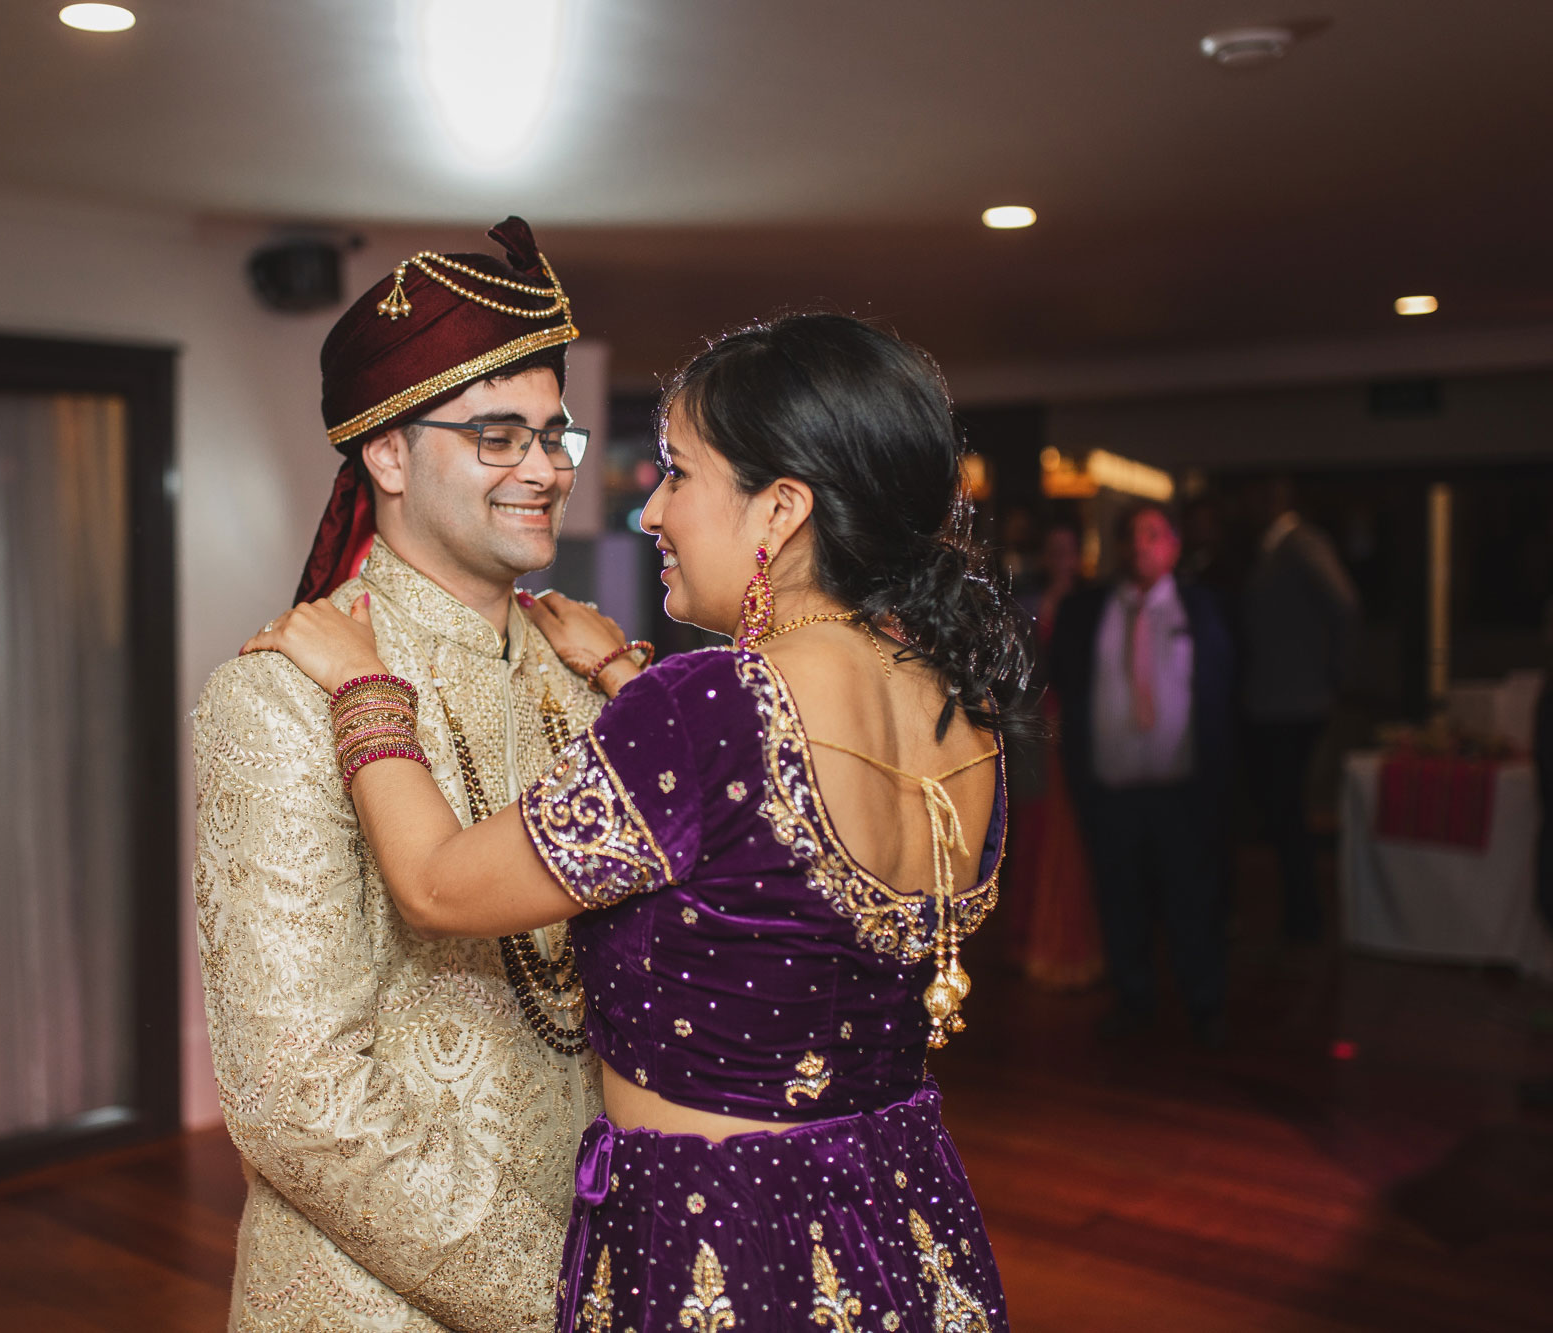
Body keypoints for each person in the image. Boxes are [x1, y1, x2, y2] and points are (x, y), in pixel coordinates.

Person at [248, 313, 1031, 1332]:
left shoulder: (703, 708)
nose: (648, 510)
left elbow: (438, 886)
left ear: (781, 509)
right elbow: (761, 859)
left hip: (728, 1251)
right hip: (903, 1231)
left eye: (678, 472)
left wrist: (363, 689)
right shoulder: (958, 710)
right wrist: (622, 672)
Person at [194, 217, 637, 1332]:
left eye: (554, 436)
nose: (543, 470)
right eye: (497, 436)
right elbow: (293, 1096)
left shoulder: (584, 669)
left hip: (610, 1254)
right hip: (372, 1299)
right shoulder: (280, 695)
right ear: (385, 455)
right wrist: (558, 1294)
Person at [1049, 503, 1234, 1046]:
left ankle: (1205, 1007)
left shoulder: (1202, 610)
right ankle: (1133, 1002)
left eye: (1153, 536)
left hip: (1184, 792)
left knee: (1192, 904)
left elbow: (1224, 695)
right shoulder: (1088, 612)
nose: (1140, 547)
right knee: (1120, 903)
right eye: (1130, 537)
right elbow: (1065, 687)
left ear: (1173, 546)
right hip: (1111, 792)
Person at [1241, 475, 1359, 943]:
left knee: (1288, 809)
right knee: (1281, 808)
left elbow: (1344, 603)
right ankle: (1298, 913)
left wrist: (1334, 674)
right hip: (1275, 700)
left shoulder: (1301, 543)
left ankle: (1304, 918)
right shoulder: (1273, 548)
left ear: (1274, 499)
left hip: (1295, 702)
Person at [1008, 521, 1103, 989]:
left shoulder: (1095, 604)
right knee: (1036, 833)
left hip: (1082, 737)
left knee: (1077, 838)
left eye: (1068, 550)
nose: (1061, 560)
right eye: (1053, 551)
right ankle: (1033, 937)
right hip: (1039, 737)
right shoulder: (1026, 606)